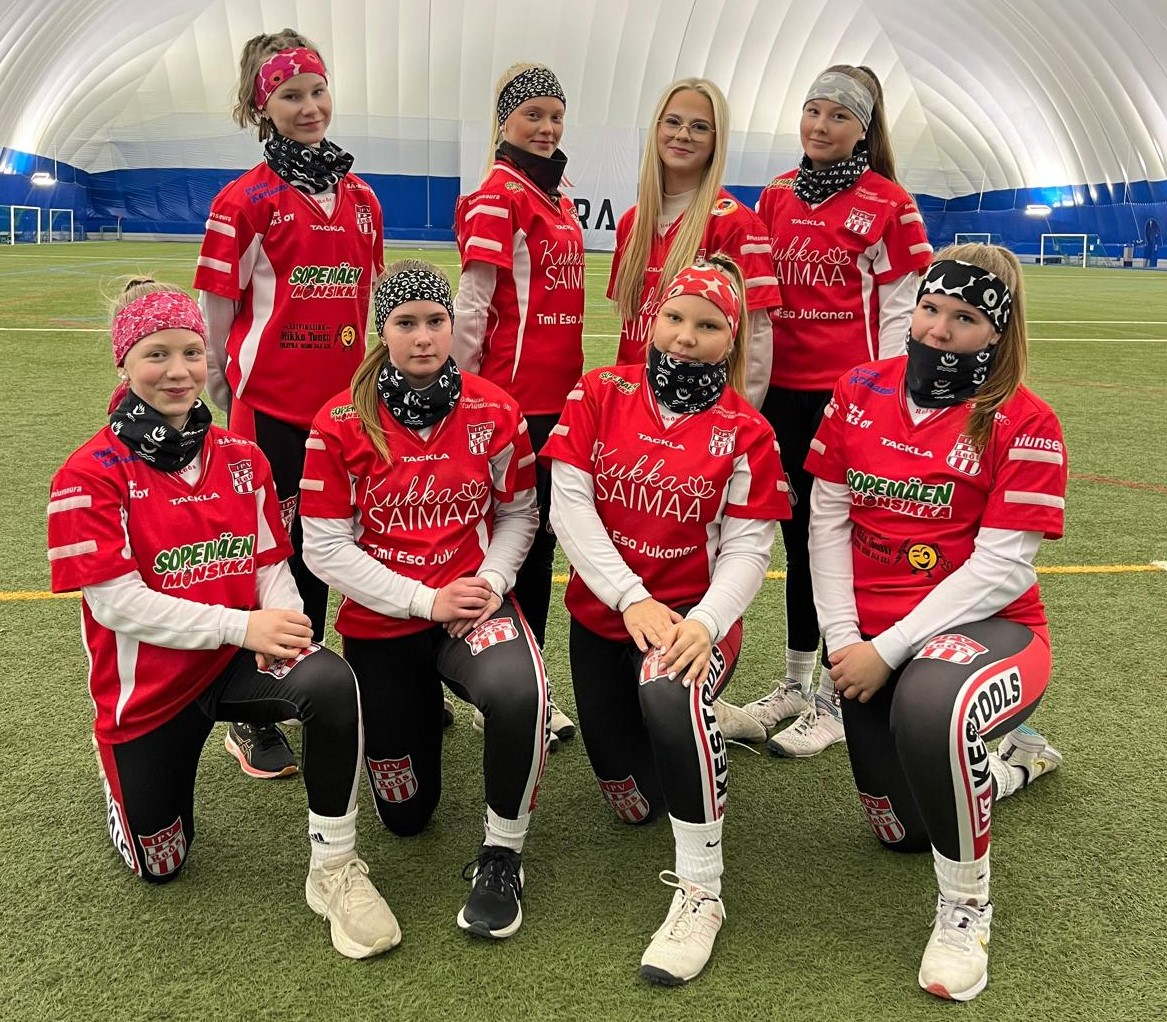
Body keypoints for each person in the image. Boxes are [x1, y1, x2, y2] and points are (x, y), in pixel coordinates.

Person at [47, 280, 400, 960]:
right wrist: (242, 628)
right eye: (156, 355)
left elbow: (269, 562)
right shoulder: (88, 474)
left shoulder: (243, 457)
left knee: (331, 682)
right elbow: (117, 604)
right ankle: (122, 779)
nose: (178, 371)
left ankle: (334, 868)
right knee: (161, 864)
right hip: (150, 693)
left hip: (236, 665)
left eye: (190, 352)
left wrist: (284, 622)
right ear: (124, 363)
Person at [806, 244, 1065, 1000]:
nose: (938, 330)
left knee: (929, 708)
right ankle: (1010, 765)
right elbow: (826, 519)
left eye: (964, 318)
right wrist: (843, 641)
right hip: (869, 642)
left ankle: (965, 908)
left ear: (998, 331)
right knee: (899, 832)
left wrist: (886, 650)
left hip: (989, 631)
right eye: (929, 308)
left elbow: (1001, 570)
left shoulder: (1025, 420)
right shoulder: (859, 388)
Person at [542, 255, 791, 984]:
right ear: (652, 321)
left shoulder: (747, 431)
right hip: (605, 617)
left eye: (707, 325)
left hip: (689, 626)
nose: (685, 336)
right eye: (674, 318)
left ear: (730, 338)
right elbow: (569, 507)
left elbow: (748, 549)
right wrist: (630, 597)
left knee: (668, 694)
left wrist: (704, 622)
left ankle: (701, 893)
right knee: (632, 804)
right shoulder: (600, 391)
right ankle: (717, 724)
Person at [300, 261, 550, 940]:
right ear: (381, 331)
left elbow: (519, 514)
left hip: (471, 606)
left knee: (522, 692)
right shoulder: (339, 421)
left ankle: (503, 854)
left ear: (452, 324)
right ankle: (416, 711)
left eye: (435, 320)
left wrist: (491, 583)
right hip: (384, 621)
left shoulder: (495, 410)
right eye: (405, 322)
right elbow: (324, 548)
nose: (422, 337)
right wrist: (421, 599)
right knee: (406, 818)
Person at [719, 65, 935, 756]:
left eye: (838, 116)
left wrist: (886, 397)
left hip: (846, 402)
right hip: (776, 397)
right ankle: (793, 682)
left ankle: (840, 698)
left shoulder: (889, 204)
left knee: (837, 543)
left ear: (862, 129)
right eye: (813, 110)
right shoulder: (776, 194)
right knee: (790, 537)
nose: (820, 125)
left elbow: (902, 312)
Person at [193, 29, 385, 778]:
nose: (309, 107)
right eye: (290, 95)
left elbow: (370, 303)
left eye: (317, 90)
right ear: (260, 106)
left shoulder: (363, 198)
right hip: (268, 416)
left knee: (344, 550)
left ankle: (349, 682)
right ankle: (254, 711)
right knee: (271, 560)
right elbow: (214, 318)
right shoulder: (243, 201)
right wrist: (227, 398)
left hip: (345, 417)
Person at [452, 62, 583, 748]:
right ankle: (502, 688)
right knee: (511, 545)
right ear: (504, 120)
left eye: (556, 116)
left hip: (558, 407)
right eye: (533, 114)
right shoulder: (498, 195)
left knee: (538, 547)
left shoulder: (557, 198)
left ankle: (527, 683)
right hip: (511, 405)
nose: (547, 127)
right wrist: (462, 394)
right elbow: (473, 305)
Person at [608, 77, 781, 409]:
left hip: (700, 412)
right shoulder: (632, 222)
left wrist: (737, 419)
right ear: (657, 128)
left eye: (699, 127)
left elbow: (755, 339)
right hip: (634, 405)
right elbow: (631, 328)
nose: (683, 134)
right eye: (673, 122)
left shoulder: (735, 224)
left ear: (717, 141)